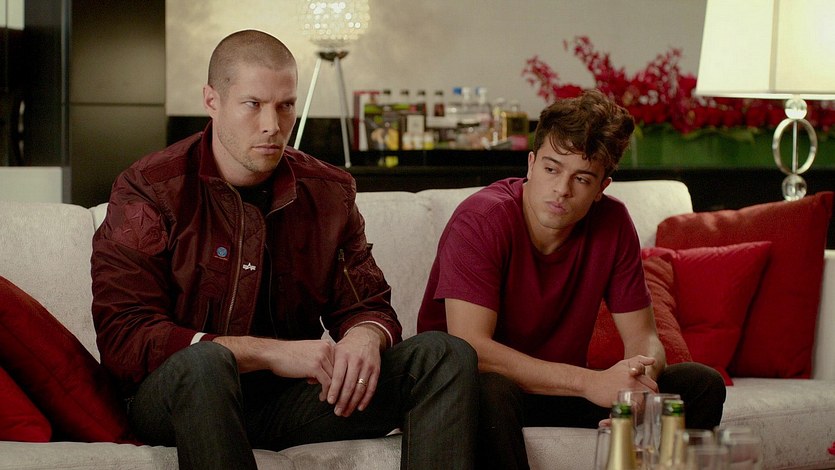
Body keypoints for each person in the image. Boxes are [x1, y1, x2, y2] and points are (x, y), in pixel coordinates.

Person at [91, 29, 478, 470]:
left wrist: (364, 337)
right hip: (178, 399)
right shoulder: (149, 189)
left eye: (285, 105)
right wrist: (270, 353)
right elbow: (124, 339)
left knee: (444, 355)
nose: (272, 125)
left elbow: (366, 304)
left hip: (290, 404)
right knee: (207, 364)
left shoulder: (329, 191)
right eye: (253, 104)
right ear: (212, 100)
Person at [417, 90, 726, 469]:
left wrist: (636, 388)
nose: (562, 190)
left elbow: (644, 336)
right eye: (552, 169)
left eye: (581, 178)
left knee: (700, 384)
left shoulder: (613, 223)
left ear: (601, 188)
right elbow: (472, 348)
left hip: (559, 389)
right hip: (478, 390)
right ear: (531, 164)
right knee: (488, 389)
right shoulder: (482, 219)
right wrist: (590, 383)